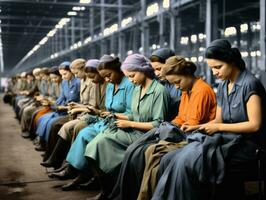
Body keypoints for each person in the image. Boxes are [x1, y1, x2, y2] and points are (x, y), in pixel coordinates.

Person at [151, 39, 266, 200]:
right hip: (227, 140)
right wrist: (198, 127)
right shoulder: (223, 86)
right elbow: (218, 120)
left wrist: (218, 128)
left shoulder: (250, 84)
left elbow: (255, 125)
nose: (214, 72)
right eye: (212, 68)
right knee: (171, 158)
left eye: (218, 67)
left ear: (232, 62)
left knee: (188, 160)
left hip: (248, 146)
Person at [110, 56, 217, 200]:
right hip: (184, 131)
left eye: (178, 82)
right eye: (174, 84)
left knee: (151, 151)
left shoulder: (201, 90)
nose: (177, 87)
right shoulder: (187, 90)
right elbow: (181, 117)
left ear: (187, 74)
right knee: (136, 149)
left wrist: (170, 127)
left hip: (195, 136)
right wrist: (170, 124)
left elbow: (192, 124)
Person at [85, 54, 171, 200]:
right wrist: (116, 116)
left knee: (100, 143)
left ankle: (112, 190)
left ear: (142, 70)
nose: (131, 80)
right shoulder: (138, 89)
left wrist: (129, 124)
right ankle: (110, 187)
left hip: (149, 135)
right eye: (129, 77)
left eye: (132, 76)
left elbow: (158, 124)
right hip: (135, 130)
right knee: (96, 143)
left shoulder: (159, 91)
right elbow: (134, 115)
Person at [51, 55, 134, 191]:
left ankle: (97, 182)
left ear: (117, 70)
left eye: (108, 75)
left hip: (120, 123)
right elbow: (107, 108)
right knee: (84, 133)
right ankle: (77, 171)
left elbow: (131, 113)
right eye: (105, 77)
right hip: (108, 120)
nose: (107, 80)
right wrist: (99, 113)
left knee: (93, 140)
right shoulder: (110, 85)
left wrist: (109, 115)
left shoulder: (129, 85)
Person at [34, 61, 80, 151]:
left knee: (52, 123)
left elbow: (80, 101)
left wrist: (65, 107)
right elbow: (61, 98)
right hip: (63, 109)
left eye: (65, 74)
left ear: (71, 71)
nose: (63, 77)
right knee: (44, 119)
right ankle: (44, 144)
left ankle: (50, 148)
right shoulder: (64, 83)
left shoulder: (78, 83)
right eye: (61, 75)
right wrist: (53, 105)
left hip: (72, 111)